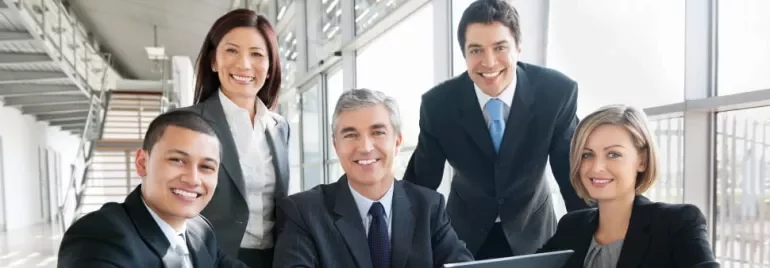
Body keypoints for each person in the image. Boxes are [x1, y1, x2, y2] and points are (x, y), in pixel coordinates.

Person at [403, 0, 588, 259]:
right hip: (464, 236)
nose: (488, 62)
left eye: (500, 47)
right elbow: (420, 185)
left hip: (534, 231)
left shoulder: (556, 93)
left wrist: (591, 243)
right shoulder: (438, 105)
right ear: (464, 54)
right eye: (476, 50)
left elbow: (573, 178)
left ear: (518, 47)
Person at [273, 89, 474, 268]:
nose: (366, 147)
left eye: (378, 132)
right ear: (336, 146)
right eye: (351, 135)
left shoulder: (429, 207)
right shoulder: (303, 213)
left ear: (397, 142)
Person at [57, 110, 248, 267]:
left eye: (206, 167)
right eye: (177, 160)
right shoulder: (99, 235)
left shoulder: (200, 230)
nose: (192, 179)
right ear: (142, 162)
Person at [537, 105, 719, 267]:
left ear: (642, 160)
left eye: (613, 154)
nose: (596, 167)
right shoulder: (571, 227)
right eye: (587, 155)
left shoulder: (677, 223)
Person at [181, 8, 289, 267]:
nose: (244, 64)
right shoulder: (186, 124)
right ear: (214, 61)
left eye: (257, 54)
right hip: (211, 259)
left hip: (275, 259)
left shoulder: (279, 127)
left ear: (270, 66)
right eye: (231, 51)